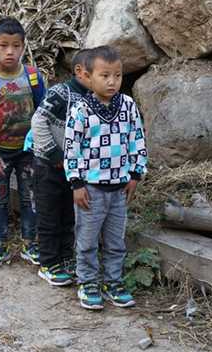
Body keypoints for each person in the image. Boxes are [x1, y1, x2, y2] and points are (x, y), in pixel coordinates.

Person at [64, 45, 148, 311]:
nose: (112, 82)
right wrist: (76, 184)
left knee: (115, 240)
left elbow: (137, 140)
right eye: (104, 76)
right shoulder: (81, 110)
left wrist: (135, 174)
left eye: (118, 75)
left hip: (121, 188)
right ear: (88, 77)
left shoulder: (128, 105)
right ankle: (88, 282)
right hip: (90, 189)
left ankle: (113, 282)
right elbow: (71, 148)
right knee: (87, 239)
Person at [0, 17, 46, 268]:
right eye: (3, 45)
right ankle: (0, 243)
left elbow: (44, 113)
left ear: (24, 47)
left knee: (29, 197)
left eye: (16, 46)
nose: (10, 51)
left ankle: (29, 243)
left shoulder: (33, 77)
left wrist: (43, 149)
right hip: (0, 154)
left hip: (28, 152)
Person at [30, 48, 93, 286]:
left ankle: (66, 256)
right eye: (96, 73)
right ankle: (48, 263)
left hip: (72, 171)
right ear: (79, 71)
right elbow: (38, 120)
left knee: (68, 217)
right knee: (48, 217)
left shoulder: (92, 99)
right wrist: (52, 152)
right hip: (48, 166)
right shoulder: (61, 92)